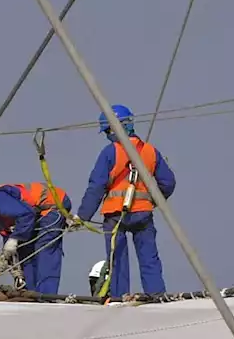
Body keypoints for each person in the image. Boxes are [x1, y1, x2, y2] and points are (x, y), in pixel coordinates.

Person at [74, 104, 176, 298]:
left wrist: (82, 216)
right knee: (149, 258)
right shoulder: (150, 151)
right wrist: (153, 200)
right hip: (143, 213)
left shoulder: (110, 152)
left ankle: (119, 297)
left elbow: (96, 186)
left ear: (113, 128)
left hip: (115, 215)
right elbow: (168, 182)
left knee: (117, 258)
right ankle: (156, 295)